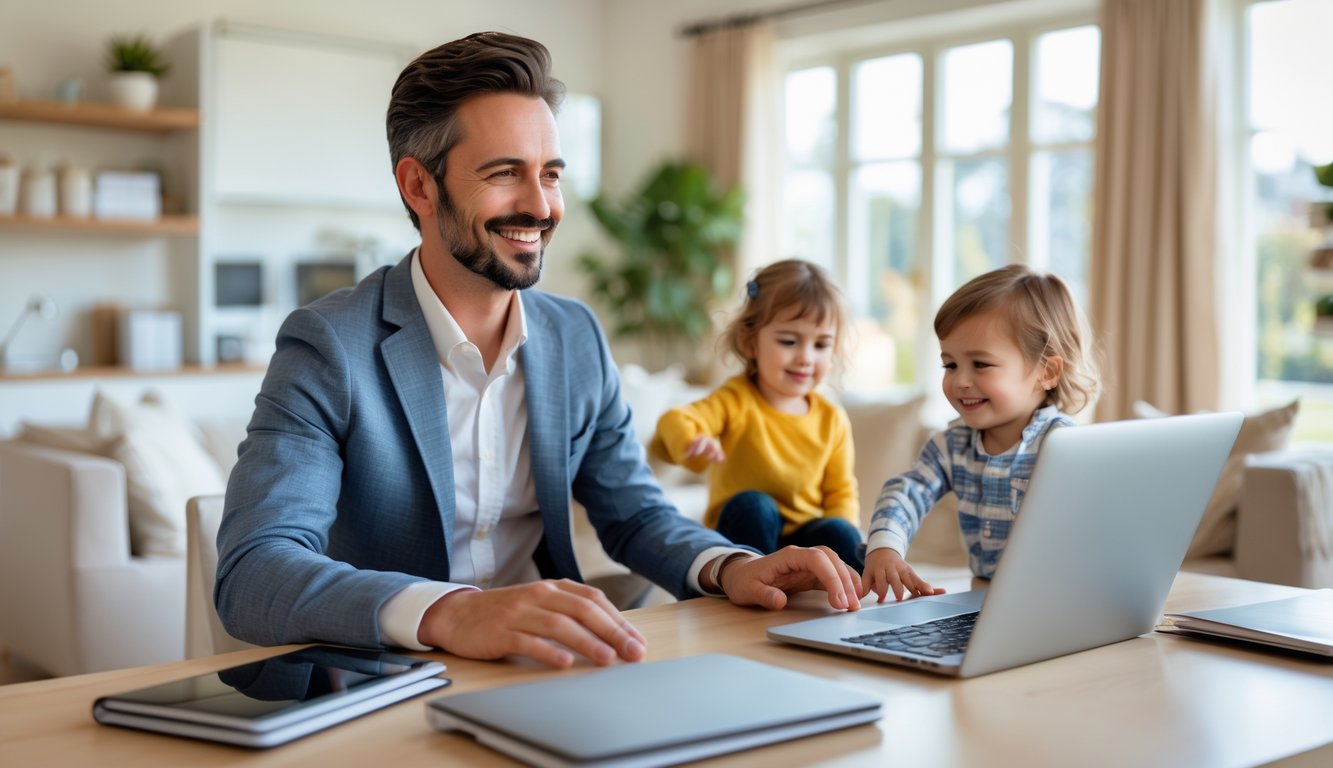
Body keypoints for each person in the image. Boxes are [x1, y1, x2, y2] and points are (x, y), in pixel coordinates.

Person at [215, 31, 863, 671]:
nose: (540, 206)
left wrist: (733, 566)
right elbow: (253, 570)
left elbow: (635, 514)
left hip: (555, 665)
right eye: (504, 173)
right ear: (419, 187)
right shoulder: (329, 344)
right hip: (391, 680)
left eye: (549, 175)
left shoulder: (575, 335)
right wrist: (452, 612)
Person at [862, 264, 1100, 602]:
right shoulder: (951, 446)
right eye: (950, 364)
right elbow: (906, 492)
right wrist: (885, 546)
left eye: (981, 364)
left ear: (1046, 372)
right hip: (984, 598)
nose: (960, 381)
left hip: (1058, 600)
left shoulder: (1066, 446)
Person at [650, 260, 864, 570]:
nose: (806, 357)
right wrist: (692, 441)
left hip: (803, 539)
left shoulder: (832, 419)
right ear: (751, 343)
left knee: (842, 532)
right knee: (754, 505)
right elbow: (674, 420)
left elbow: (840, 492)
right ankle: (758, 582)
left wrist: (845, 533)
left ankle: (843, 589)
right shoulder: (735, 399)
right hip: (742, 538)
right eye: (789, 341)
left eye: (821, 345)